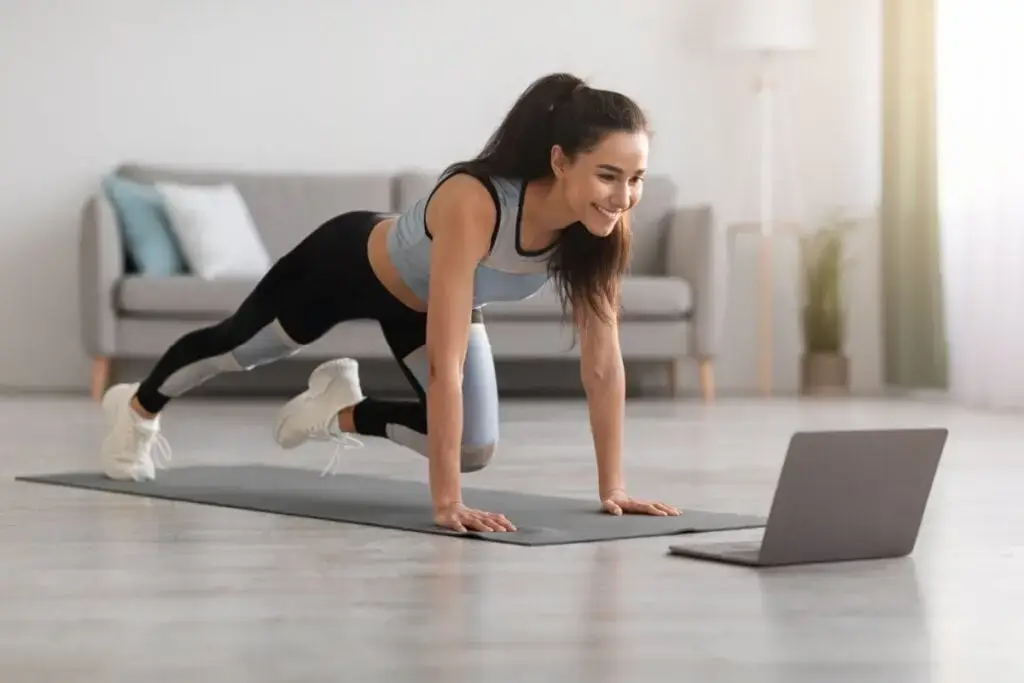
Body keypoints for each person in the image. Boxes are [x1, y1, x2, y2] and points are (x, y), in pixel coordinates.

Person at [98, 72, 681, 533]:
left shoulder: (600, 230)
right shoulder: (476, 201)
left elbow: (603, 365)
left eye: (637, 179)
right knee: (237, 350)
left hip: (427, 304)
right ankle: (135, 410)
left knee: (475, 447)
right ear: (560, 161)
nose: (624, 197)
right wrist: (447, 502)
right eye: (609, 175)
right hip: (347, 266)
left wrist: (615, 489)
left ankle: (335, 410)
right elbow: (444, 366)